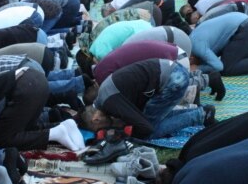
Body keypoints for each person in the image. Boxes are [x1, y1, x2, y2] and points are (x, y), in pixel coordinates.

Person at [81, 59, 209, 139]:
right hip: (172, 69)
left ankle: (200, 115)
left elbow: (146, 128)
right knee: (153, 118)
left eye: (100, 129)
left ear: (96, 119)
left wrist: (125, 136)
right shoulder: (103, 97)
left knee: (149, 132)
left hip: (173, 79)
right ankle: (200, 112)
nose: (105, 129)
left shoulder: (110, 103)